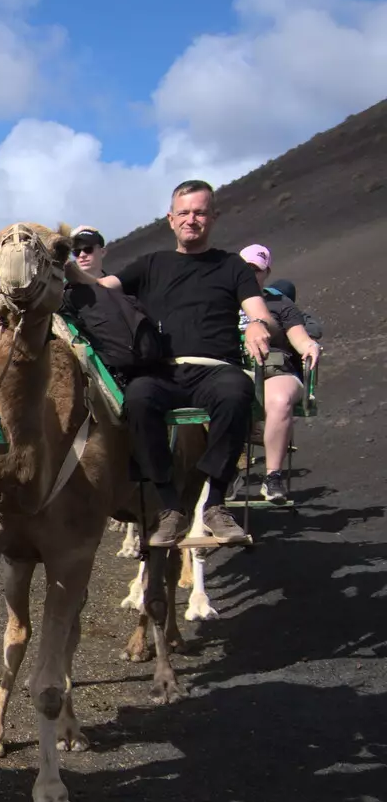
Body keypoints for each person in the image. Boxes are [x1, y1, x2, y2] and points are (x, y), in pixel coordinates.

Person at [72, 179, 283, 548]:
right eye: (184, 213)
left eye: (199, 212)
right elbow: (102, 289)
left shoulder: (232, 266)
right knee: (137, 397)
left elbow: (259, 311)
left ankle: (215, 503)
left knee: (237, 393)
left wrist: (258, 327)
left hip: (216, 368)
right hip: (164, 369)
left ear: (213, 217)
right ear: (171, 219)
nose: (191, 219)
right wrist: (58, 271)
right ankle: (170, 507)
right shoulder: (153, 264)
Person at [237, 245, 321, 502]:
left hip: (272, 370)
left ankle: (272, 477)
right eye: (245, 268)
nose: (250, 274)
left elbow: (300, 337)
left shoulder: (280, 303)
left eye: (256, 270)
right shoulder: (219, 300)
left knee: (280, 400)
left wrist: (309, 346)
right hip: (229, 368)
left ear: (266, 272)